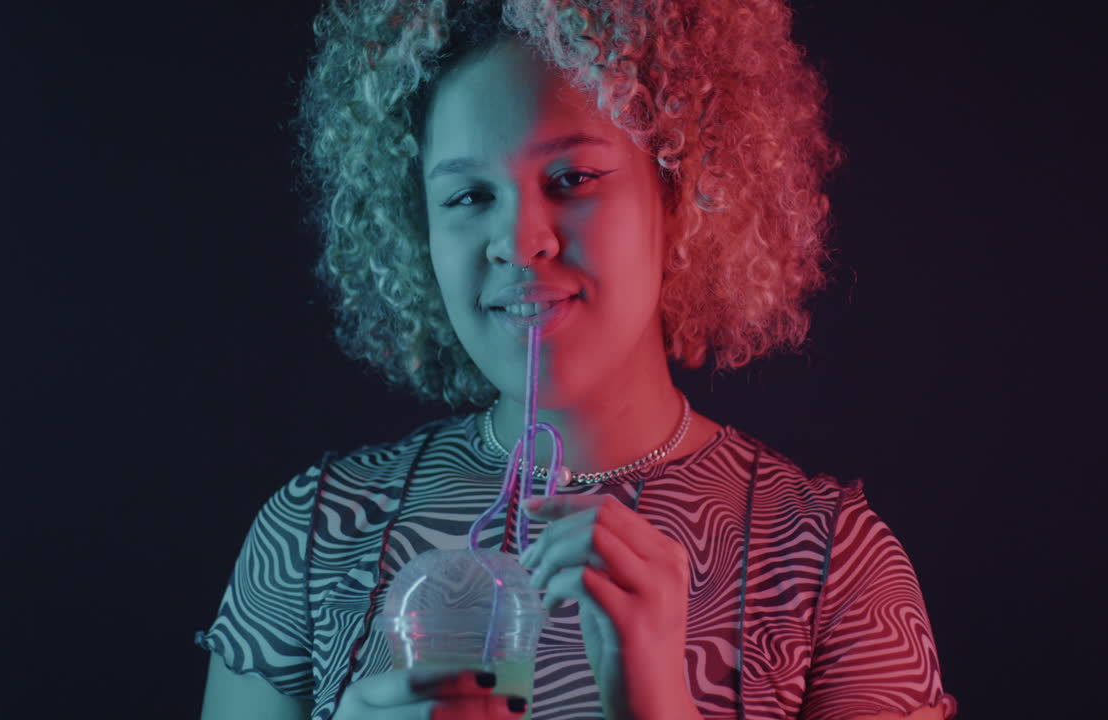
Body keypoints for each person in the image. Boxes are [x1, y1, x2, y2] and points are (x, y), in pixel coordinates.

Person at [196, 1, 959, 719]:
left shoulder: (831, 562)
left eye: (572, 180)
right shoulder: (313, 532)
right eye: (467, 198)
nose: (521, 240)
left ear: (685, 193)